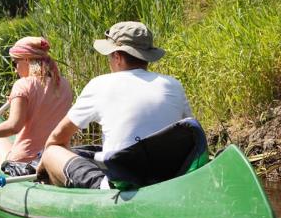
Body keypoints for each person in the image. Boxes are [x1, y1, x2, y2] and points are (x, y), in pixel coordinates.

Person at [37, 21, 193, 189]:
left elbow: (58, 137)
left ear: (117, 57)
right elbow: (189, 132)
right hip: (167, 178)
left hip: (120, 185)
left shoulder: (100, 85)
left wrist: (44, 163)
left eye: (110, 56)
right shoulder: (173, 85)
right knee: (90, 152)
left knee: (52, 150)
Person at [0, 37, 73, 168]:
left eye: (15, 63)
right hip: (57, 160)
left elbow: (13, 127)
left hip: (25, 162)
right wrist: (18, 99)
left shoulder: (22, 85)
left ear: (27, 59)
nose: (15, 69)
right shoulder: (64, 84)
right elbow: (43, 109)